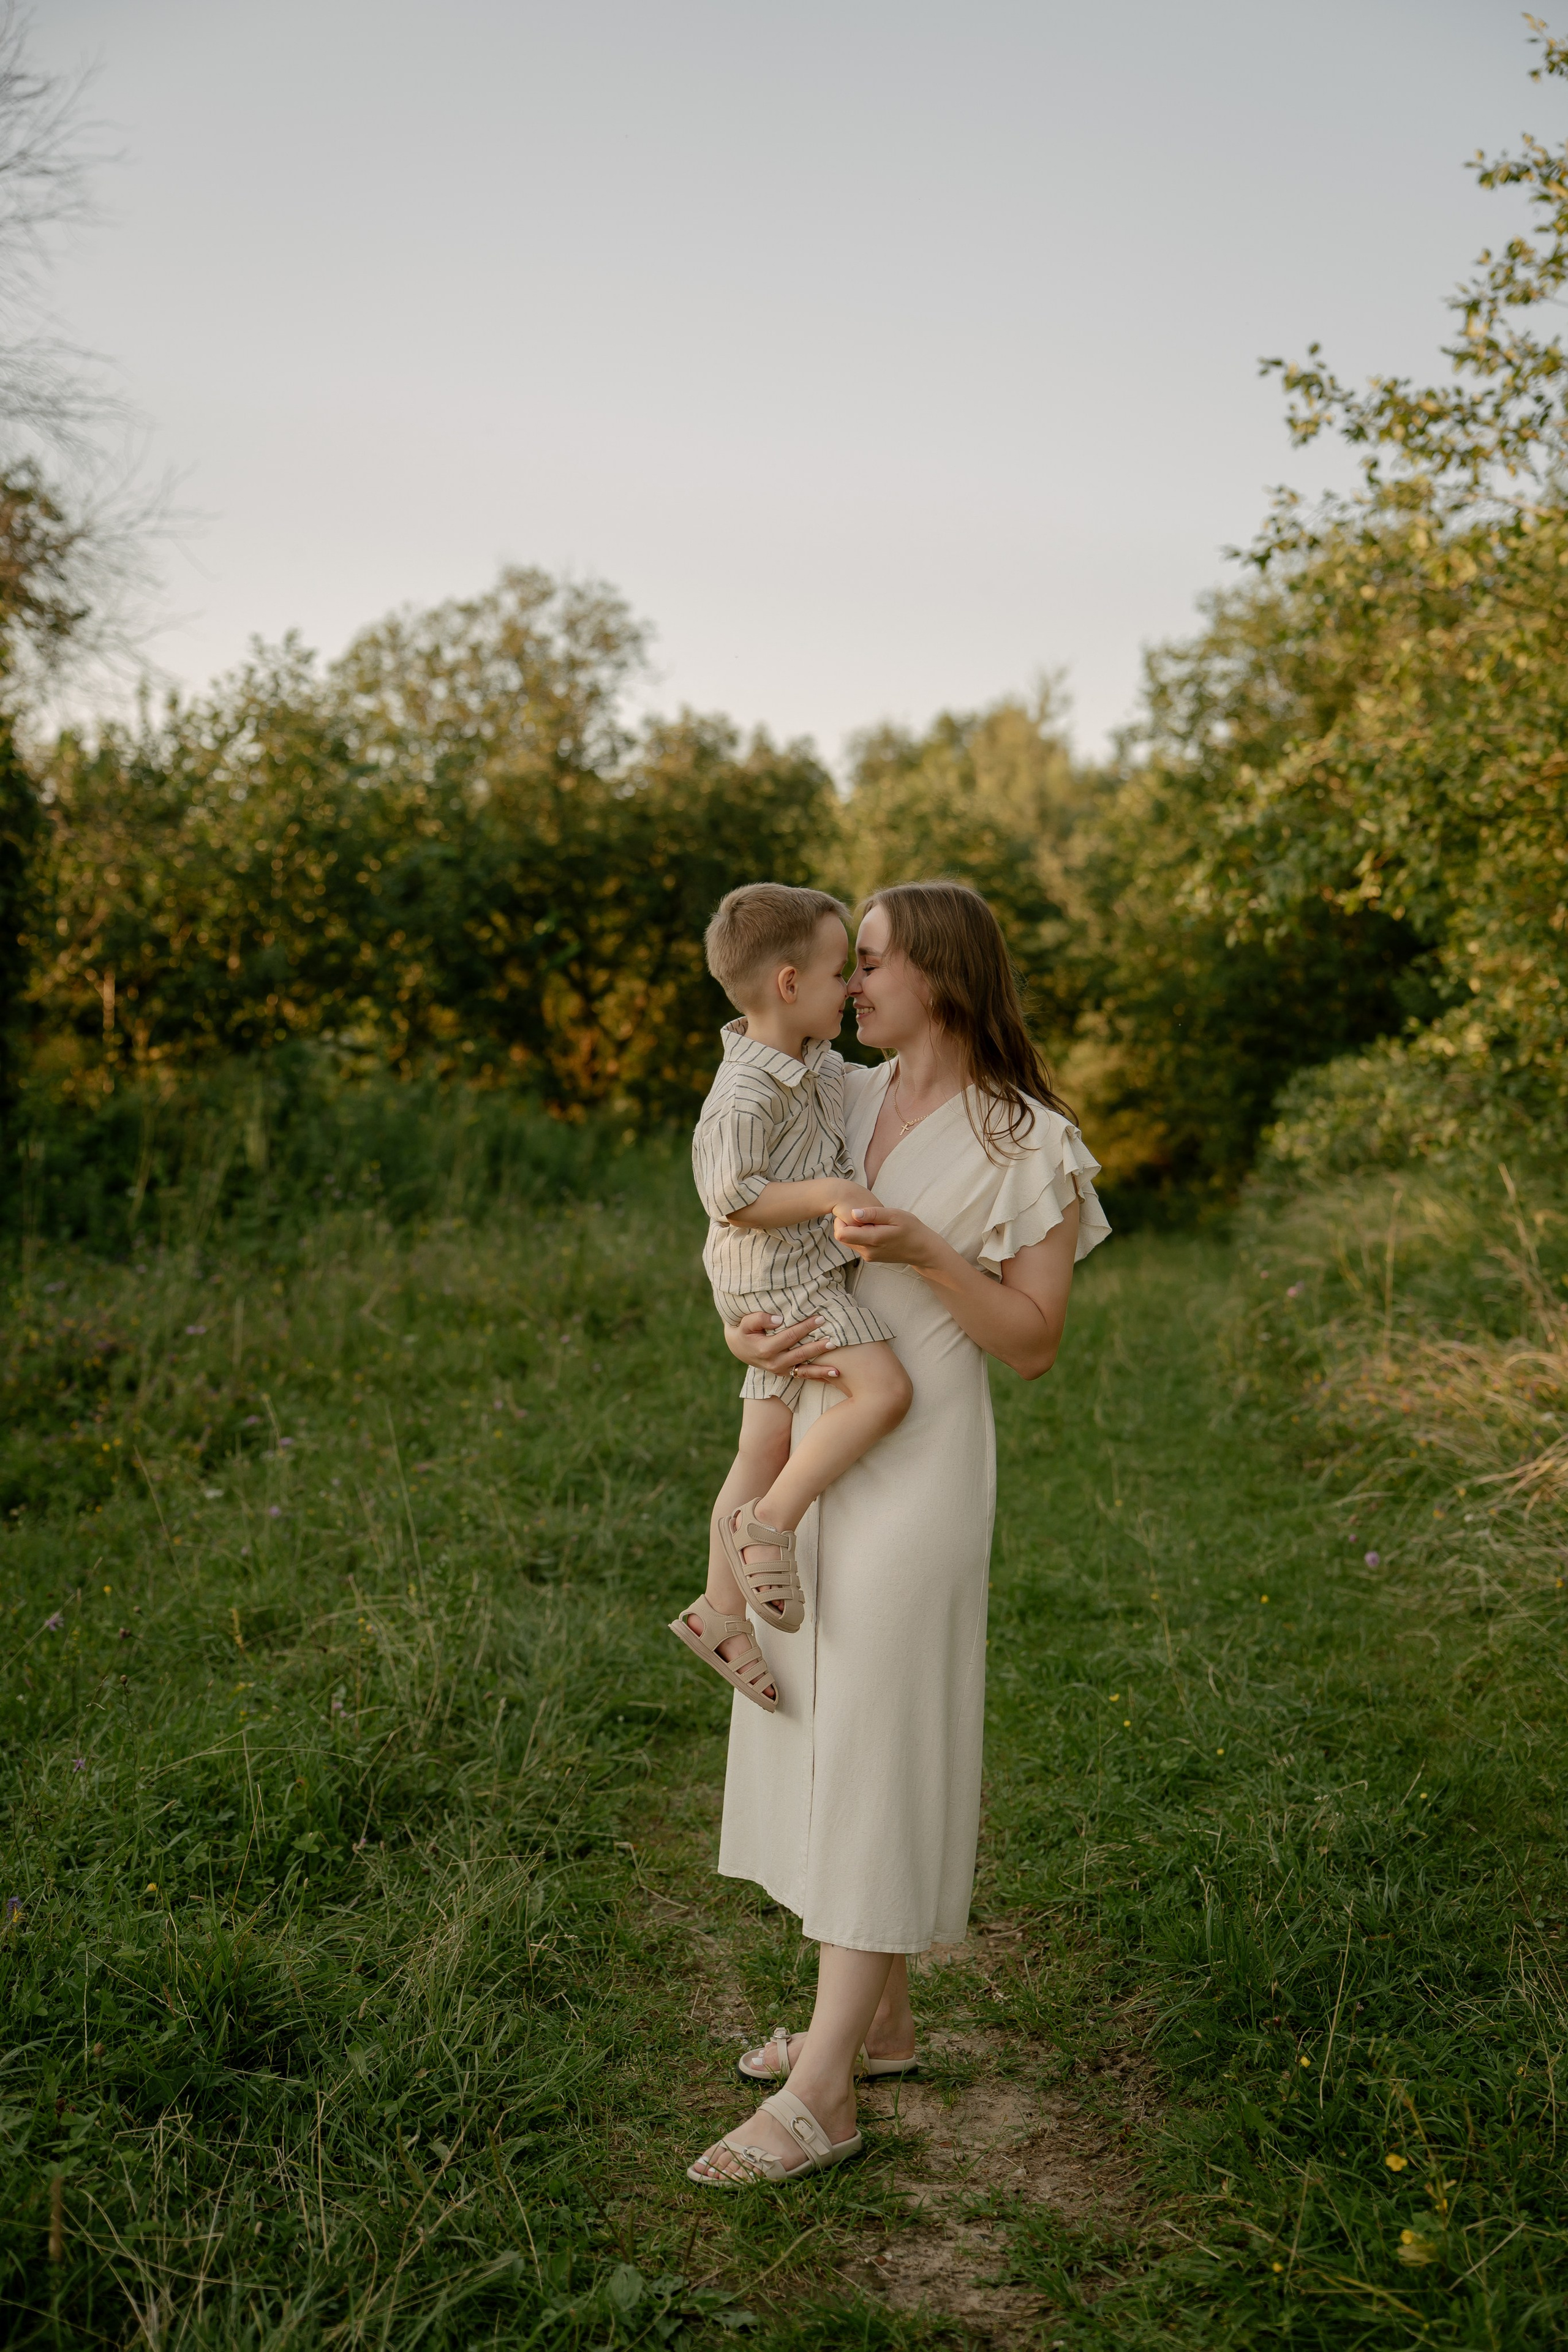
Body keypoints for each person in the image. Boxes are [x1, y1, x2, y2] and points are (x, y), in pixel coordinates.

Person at [686, 880, 1110, 2186]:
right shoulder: (839, 1095)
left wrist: (929, 1251)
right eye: (847, 965)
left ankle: (823, 2097)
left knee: (876, 1737)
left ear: (936, 970)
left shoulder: (1028, 1139)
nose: (849, 984)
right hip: (820, 1427)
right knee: (819, 1718)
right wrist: (735, 1330)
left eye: (866, 961)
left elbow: (1031, 1346)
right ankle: (877, 2024)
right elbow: (743, 1229)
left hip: (919, 1463)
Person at [671, 883, 913, 1714]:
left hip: (775, 1273)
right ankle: (767, 1526)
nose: (851, 986)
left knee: (763, 1439)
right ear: (787, 985)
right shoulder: (743, 1094)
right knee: (883, 1390)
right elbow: (734, 1198)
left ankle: (719, 1611)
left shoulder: (811, 1063)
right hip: (782, 1273)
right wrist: (831, 1190)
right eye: (840, 969)